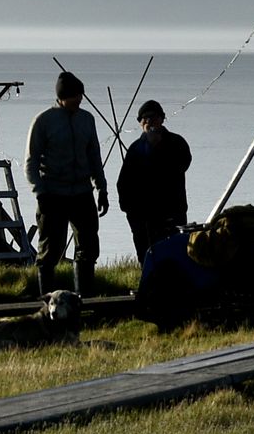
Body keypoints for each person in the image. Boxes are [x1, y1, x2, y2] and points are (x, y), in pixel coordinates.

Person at [24, 71, 109, 296]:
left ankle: (84, 298)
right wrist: (40, 193)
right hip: (52, 194)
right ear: (62, 97)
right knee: (50, 252)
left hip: (82, 193)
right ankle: (47, 301)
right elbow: (30, 163)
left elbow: (94, 157)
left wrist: (102, 188)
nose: (79, 100)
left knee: (88, 247)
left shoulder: (87, 119)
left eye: (80, 95)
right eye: (74, 96)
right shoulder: (43, 121)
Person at [116, 98, 193, 262]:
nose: (149, 121)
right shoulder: (135, 148)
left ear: (162, 119)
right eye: (145, 118)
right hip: (142, 215)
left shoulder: (177, 143)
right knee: (146, 255)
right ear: (140, 123)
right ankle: (148, 285)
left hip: (171, 211)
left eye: (154, 117)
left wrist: (156, 149)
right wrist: (129, 209)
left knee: (174, 254)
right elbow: (124, 182)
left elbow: (179, 166)